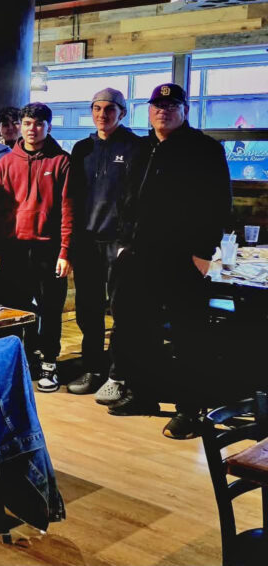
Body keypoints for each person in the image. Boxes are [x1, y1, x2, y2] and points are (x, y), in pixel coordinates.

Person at [108, 83, 232, 440]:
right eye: (158, 105)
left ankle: (190, 410)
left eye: (172, 105)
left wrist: (203, 253)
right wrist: (123, 243)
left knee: (188, 334)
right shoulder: (140, 147)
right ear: (149, 111)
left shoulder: (204, 149)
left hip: (183, 257)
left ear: (185, 110)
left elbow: (219, 203)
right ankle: (144, 394)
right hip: (138, 255)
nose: (164, 111)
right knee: (138, 329)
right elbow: (125, 199)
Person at [64, 88, 141, 399]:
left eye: (109, 109)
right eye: (97, 108)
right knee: (88, 310)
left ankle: (119, 374)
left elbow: (139, 198)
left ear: (122, 112)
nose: (102, 114)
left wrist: (129, 239)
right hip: (87, 241)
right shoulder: (82, 148)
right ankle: (93, 368)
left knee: (123, 311)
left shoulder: (136, 147)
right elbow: (71, 196)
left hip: (119, 242)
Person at [0, 103, 73, 392]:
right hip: (13, 248)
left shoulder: (61, 161)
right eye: (27, 123)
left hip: (49, 249)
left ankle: (49, 362)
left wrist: (65, 251)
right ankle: (22, 361)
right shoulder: (7, 162)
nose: (32, 129)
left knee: (50, 309)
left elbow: (68, 209)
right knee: (15, 309)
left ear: (48, 126)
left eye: (38, 123)